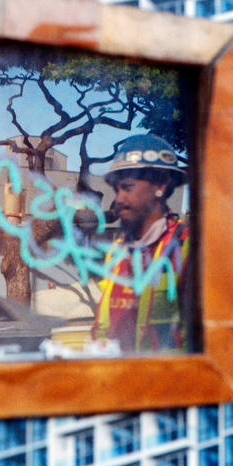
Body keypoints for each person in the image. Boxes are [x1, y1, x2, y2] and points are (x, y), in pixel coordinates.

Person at [91, 134, 191, 354]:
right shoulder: (117, 251)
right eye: (117, 190)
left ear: (161, 186)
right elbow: (104, 327)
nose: (119, 199)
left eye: (127, 188)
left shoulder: (188, 247)